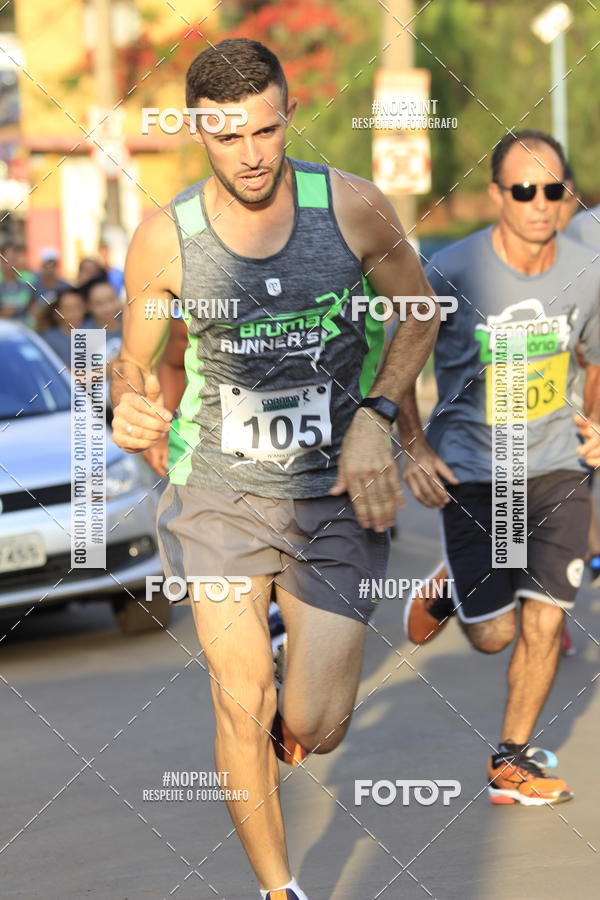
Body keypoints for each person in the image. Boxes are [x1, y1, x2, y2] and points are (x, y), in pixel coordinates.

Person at [110, 38, 439, 900]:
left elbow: (418, 313)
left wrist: (377, 415)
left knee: (315, 726)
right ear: (197, 132)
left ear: (289, 112)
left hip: (330, 491)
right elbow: (132, 362)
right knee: (240, 699)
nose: (252, 156)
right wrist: (126, 400)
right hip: (218, 489)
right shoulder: (165, 240)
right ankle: (278, 890)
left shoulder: (355, 207)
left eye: (265, 130)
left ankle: (297, 665)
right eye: (228, 137)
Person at [399, 130, 600, 806]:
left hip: (555, 466)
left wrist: (595, 424)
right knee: (494, 634)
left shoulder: (587, 269)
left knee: (544, 621)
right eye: (524, 190)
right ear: (497, 196)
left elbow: (595, 357)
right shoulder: (451, 273)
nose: (540, 204)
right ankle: (454, 586)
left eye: (553, 190)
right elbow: (399, 365)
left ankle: (510, 760)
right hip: (476, 471)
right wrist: (413, 444)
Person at [39, 287, 88, 367]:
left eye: (78, 307)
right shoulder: (48, 340)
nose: (75, 313)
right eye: (68, 309)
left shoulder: (94, 331)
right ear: (57, 314)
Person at [0, 241, 36, 322]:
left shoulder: (29, 278)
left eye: (14, 260)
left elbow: (35, 304)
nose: (11, 264)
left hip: (24, 326)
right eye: (7, 260)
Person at [31, 247, 71, 312]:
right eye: (47, 265)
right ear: (42, 266)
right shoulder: (34, 286)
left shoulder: (65, 287)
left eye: (53, 265)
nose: (50, 269)